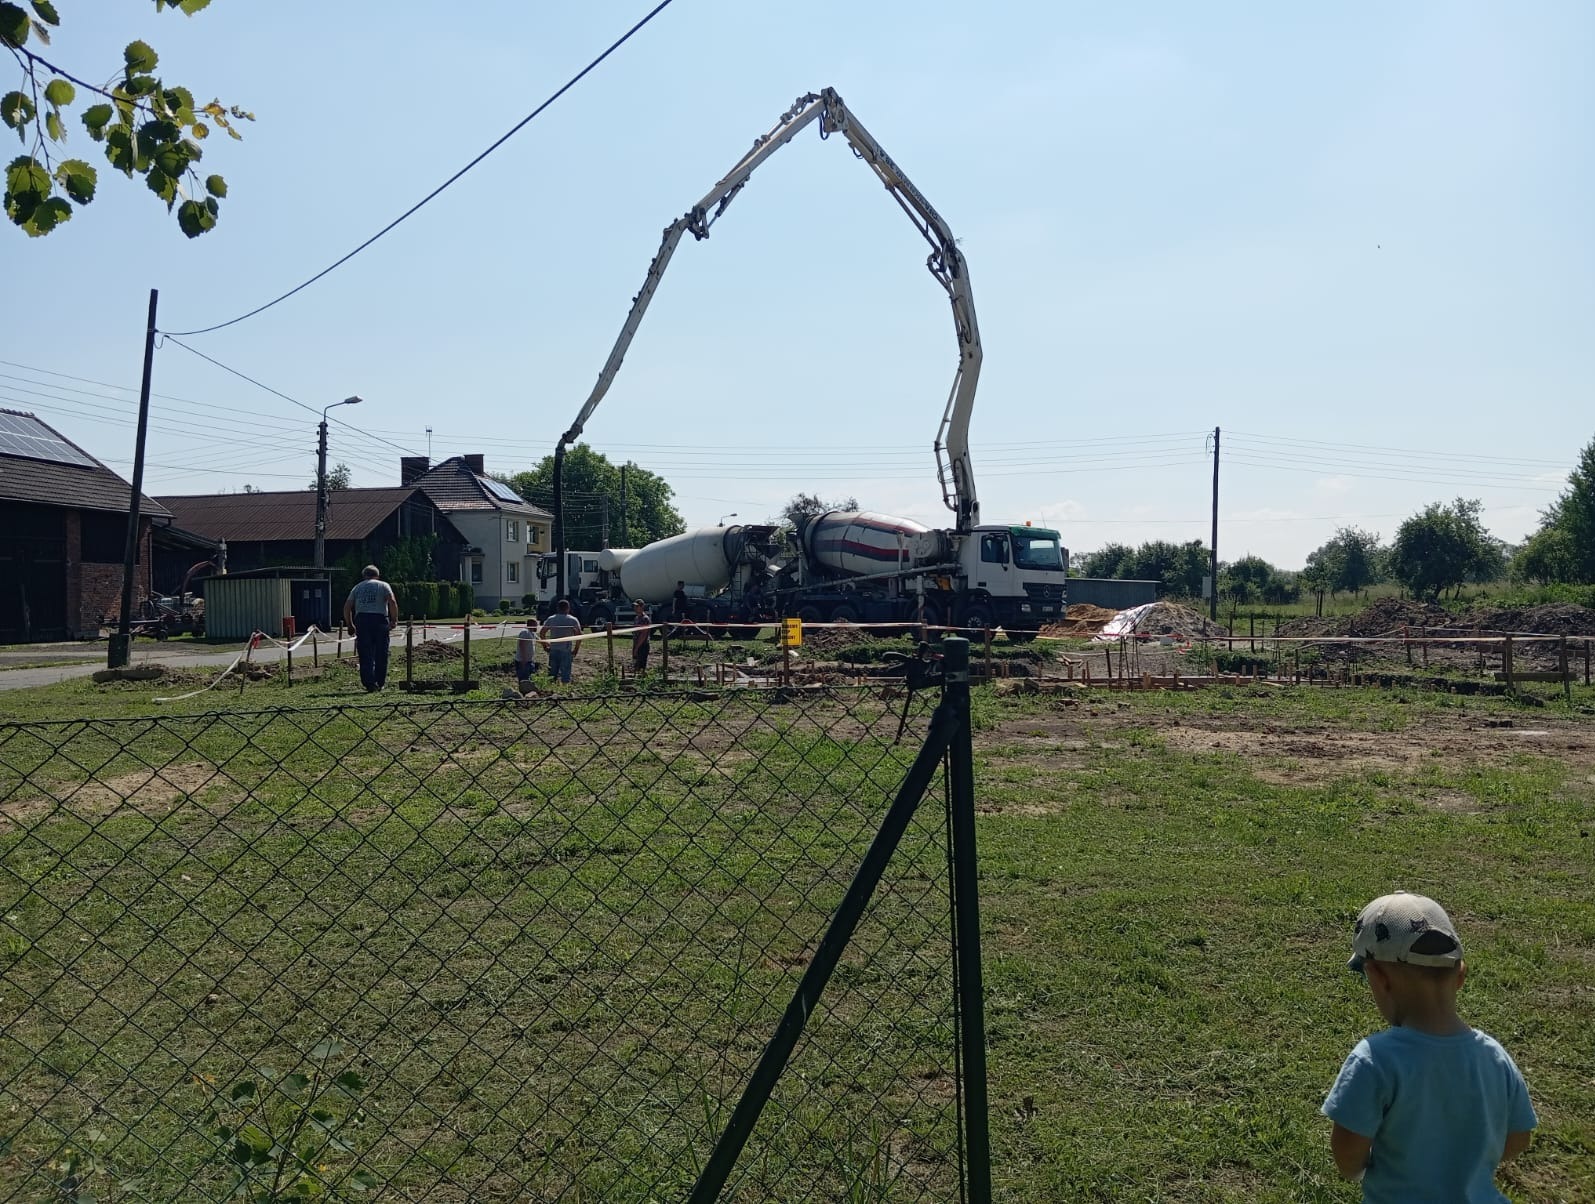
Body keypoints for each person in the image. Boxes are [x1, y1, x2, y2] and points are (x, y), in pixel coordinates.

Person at [1322, 891, 1536, 1201]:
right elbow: (1518, 1138)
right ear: (1460, 976)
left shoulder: (1375, 1059)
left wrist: (1358, 1170)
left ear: (1378, 978)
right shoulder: (1495, 1056)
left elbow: (1348, 1151)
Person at [342, 565, 398, 692]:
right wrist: (394, 619)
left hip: (362, 621)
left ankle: (369, 683)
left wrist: (350, 625)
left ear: (364, 576)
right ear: (377, 576)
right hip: (379, 620)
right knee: (381, 652)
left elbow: (347, 606)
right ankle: (380, 681)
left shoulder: (357, 587)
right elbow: (392, 601)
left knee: (365, 653)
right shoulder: (383, 585)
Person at [540, 599, 582, 684]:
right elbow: (579, 635)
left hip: (553, 649)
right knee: (566, 675)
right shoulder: (573, 620)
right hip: (566, 650)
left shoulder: (551, 619)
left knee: (552, 675)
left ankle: (550, 692)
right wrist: (576, 649)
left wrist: (545, 645)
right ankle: (565, 693)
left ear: (557, 608)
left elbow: (542, 633)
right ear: (568, 608)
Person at [513, 618, 539, 692]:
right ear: (532, 625)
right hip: (523, 661)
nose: (537, 627)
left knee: (530, 678)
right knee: (524, 679)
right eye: (536, 625)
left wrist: (547, 644)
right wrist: (524, 659)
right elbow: (522, 645)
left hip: (530, 660)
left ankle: (529, 693)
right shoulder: (525, 632)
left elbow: (539, 639)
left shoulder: (532, 633)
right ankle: (523, 693)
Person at [630, 598, 652, 674]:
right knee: (635, 664)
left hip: (643, 645)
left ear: (642, 607)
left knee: (641, 666)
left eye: (637, 606)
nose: (635, 608)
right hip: (636, 644)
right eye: (634, 606)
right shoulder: (636, 618)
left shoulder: (645, 619)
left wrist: (637, 647)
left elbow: (643, 635)